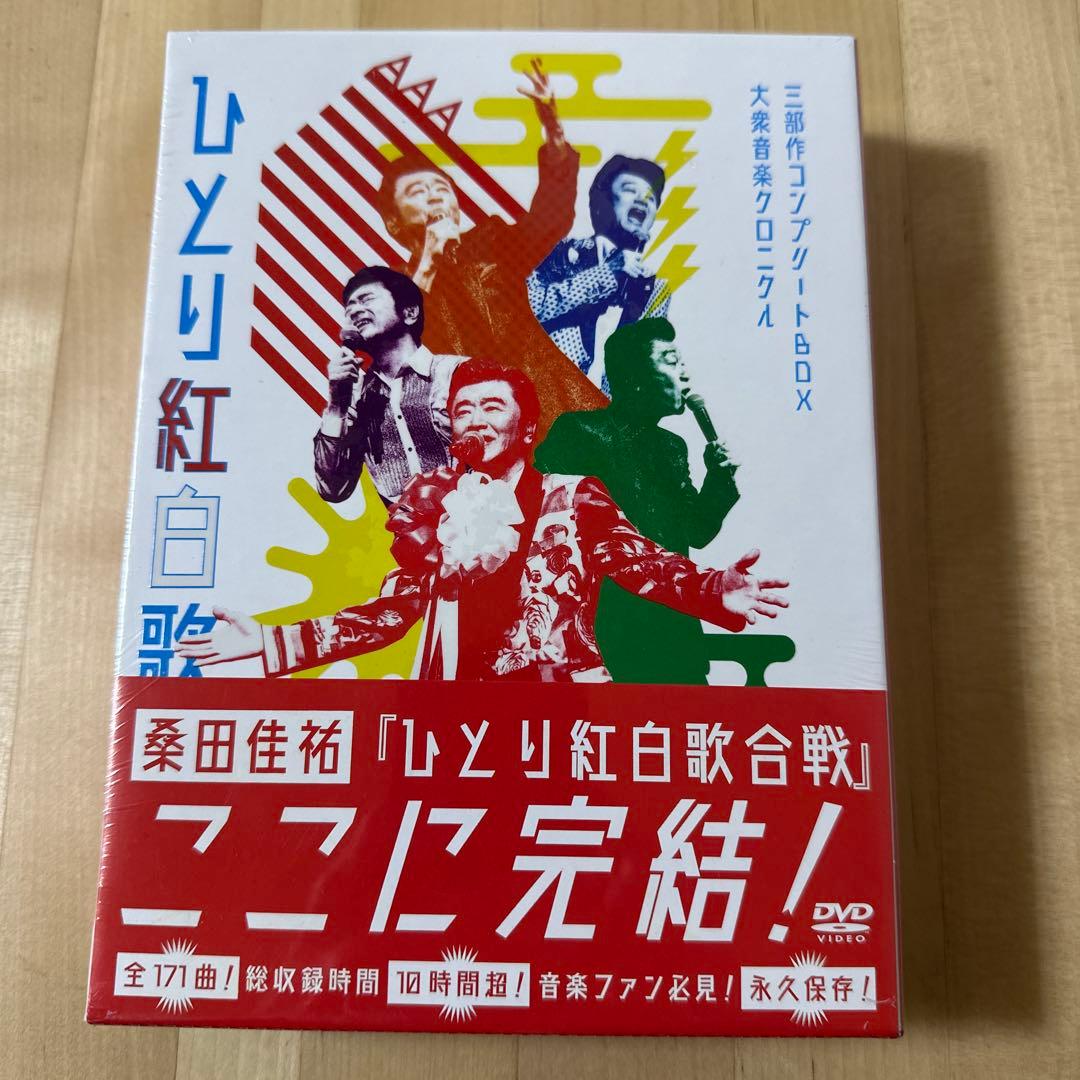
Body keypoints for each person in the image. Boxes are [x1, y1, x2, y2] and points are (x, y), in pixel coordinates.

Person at [178, 362, 788, 682]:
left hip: (559, 707)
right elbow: (390, 613)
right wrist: (269, 640)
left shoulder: (573, 496)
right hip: (456, 710)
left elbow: (641, 563)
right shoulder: (432, 508)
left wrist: (716, 588)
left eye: (493, 406)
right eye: (463, 410)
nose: (476, 420)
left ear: (527, 428)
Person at [375, 58, 607, 435]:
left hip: (556, 404)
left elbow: (550, 219)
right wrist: (430, 256)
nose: (435, 197)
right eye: (418, 192)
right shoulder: (391, 295)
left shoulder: (491, 242)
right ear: (393, 223)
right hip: (487, 428)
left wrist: (553, 129)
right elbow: (400, 348)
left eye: (441, 188)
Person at [534, 318, 739, 684]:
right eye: (671, 361)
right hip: (604, 630)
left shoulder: (672, 447)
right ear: (635, 377)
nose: (685, 373)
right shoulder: (580, 432)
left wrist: (718, 478)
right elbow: (547, 530)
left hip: (673, 631)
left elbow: (697, 531)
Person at [314, 266, 463, 506]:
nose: (354, 311)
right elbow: (332, 488)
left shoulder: (458, 373)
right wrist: (336, 406)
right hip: (406, 528)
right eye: (349, 308)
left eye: (366, 299)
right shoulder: (358, 401)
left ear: (410, 312)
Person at [527, 155, 671, 390]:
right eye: (630, 190)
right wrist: (608, 273)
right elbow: (529, 311)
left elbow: (644, 371)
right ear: (603, 201)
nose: (643, 200)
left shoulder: (655, 288)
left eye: (651, 197)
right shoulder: (559, 254)